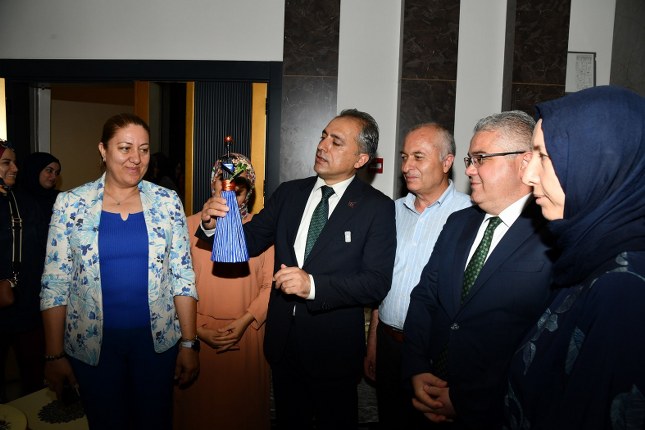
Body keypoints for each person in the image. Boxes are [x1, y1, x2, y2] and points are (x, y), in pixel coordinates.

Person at [199, 109, 397, 430]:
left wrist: (313, 287)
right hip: (283, 345)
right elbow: (247, 243)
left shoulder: (377, 207)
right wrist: (212, 226)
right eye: (323, 136)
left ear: (360, 159)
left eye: (336, 142)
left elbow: (375, 283)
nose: (322, 145)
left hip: (333, 351)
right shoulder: (289, 193)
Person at [40, 113, 198, 430]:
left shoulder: (167, 202)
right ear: (103, 150)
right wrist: (54, 355)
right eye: (125, 148)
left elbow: (182, 277)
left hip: (156, 346)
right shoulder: (70, 204)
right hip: (93, 348)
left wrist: (189, 343)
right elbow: (55, 283)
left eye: (143, 149)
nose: (136, 158)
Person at [402, 111, 556, 430]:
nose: (469, 169)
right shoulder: (458, 222)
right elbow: (425, 298)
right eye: (470, 159)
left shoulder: (552, 237)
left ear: (524, 162)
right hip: (430, 389)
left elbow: (543, 347)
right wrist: (416, 367)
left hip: (498, 412)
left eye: (480, 158)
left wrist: (468, 402)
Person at [504, 86, 645, 430]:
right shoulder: (587, 255)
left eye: (543, 155)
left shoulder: (624, 291)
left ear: (599, 163)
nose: (527, 175)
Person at [363, 123, 471, 429]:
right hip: (388, 343)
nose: (406, 166)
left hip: (436, 352)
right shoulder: (391, 212)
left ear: (447, 162)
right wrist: (374, 340)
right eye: (404, 157)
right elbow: (384, 282)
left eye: (418, 157)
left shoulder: (470, 215)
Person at [174, 153, 274, 430]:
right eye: (224, 179)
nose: (231, 186)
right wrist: (195, 332)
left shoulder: (262, 230)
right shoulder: (187, 226)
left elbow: (270, 286)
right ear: (212, 183)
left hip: (248, 334)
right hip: (195, 335)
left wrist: (245, 321)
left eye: (240, 183)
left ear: (249, 190)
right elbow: (172, 286)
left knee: (243, 413)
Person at [0, 140, 47, 402]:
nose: (15, 168)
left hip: (27, 302)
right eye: (6, 163)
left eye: (15, 162)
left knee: (34, 375)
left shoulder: (25, 202)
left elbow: (41, 250)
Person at [17, 151, 62, 217]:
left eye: (57, 173)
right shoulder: (17, 199)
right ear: (35, 170)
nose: (54, 177)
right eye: (49, 171)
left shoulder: (60, 198)